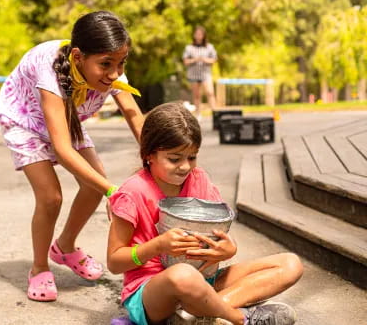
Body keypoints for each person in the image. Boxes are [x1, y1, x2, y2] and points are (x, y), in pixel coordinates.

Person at [107, 102, 304, 325]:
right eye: (174, 158)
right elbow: (114, 262)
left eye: (192, 157)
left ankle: (196, 315)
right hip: (153, 292)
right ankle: (240, 318)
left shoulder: (199, 180)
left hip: (204, 280)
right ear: (149, 154)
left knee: (290, 264)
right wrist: (157, 246)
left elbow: (218, 235)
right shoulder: (132, 193)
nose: (185, 166)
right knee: (182, 274)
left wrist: (229, 249)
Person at [0, 11, 144, 302]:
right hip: (25, 120)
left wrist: (156, 158)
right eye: (106, 65)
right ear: (78, 57)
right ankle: (39, 267)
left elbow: (133, 113)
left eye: (121, 63)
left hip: (65, 119)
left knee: (93, 183)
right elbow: (62, 149)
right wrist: (113, 193)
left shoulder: (110, 66)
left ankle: (64, 247)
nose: (115, 73)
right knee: (51, 197)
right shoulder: (50, 67)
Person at [182, 26, 218, 119]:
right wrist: (195, 59)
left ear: (204, 35)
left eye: (200, 34)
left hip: (206, 74)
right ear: (194, 35)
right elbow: (185, 61)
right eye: (197, 34)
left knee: (210, 93)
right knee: (196, 95)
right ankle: (198, 114)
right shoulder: (189, 47)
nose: (198, 36)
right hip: (193, 75)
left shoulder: (210, 47)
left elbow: (214, 60)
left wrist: (204, 59)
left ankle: (215, 113)